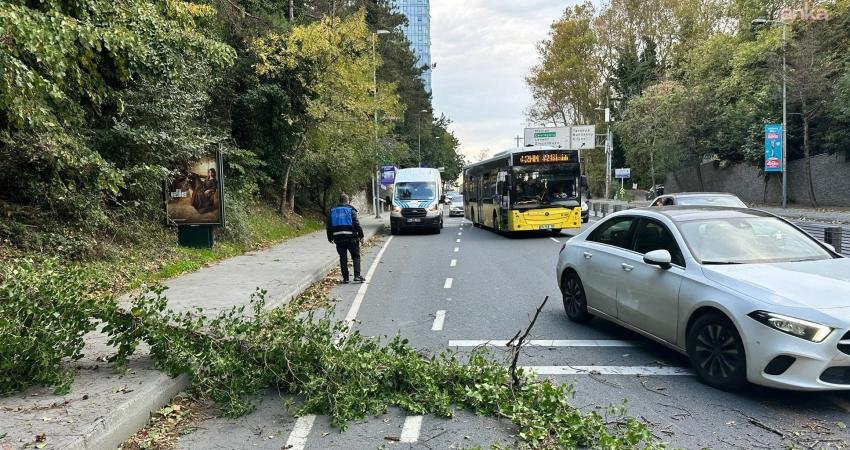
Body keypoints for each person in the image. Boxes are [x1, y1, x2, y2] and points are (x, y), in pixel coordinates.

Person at [327, 194, 365, 284]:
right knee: (356, 256)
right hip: (352, 238)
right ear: (347, 201)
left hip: (339, 239)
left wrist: (330, 237)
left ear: (340, 201)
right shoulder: (351, 210)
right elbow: (356, 224)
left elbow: (329, 226)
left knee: (343, 258)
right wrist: (361, 236)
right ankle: (357, 276)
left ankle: (346, 278)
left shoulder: (332, 211)